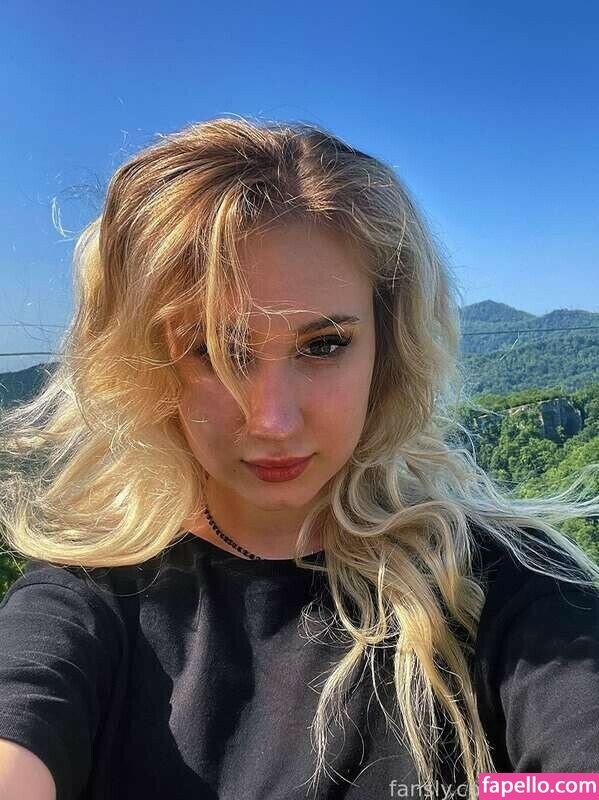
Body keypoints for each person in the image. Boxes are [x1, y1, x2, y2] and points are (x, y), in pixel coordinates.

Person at [0, 117, 598, 800]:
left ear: (386, 350)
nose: (272, 420)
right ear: (148, 364)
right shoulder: (87, 600)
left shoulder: (506, 587)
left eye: (323, 346)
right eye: (214, 350)